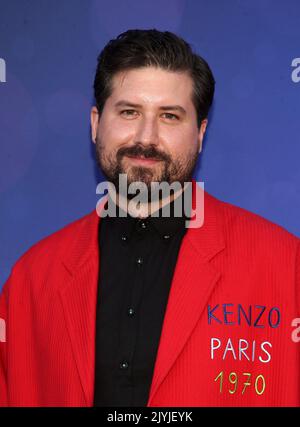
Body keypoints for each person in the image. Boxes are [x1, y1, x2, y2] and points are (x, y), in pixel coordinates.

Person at [0, 29, 299, 407]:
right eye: (129, 112)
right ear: (95, 123)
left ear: (200, 133)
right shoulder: (31, 279)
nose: (146, 137)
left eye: (170, 116)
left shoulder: (285, 267)